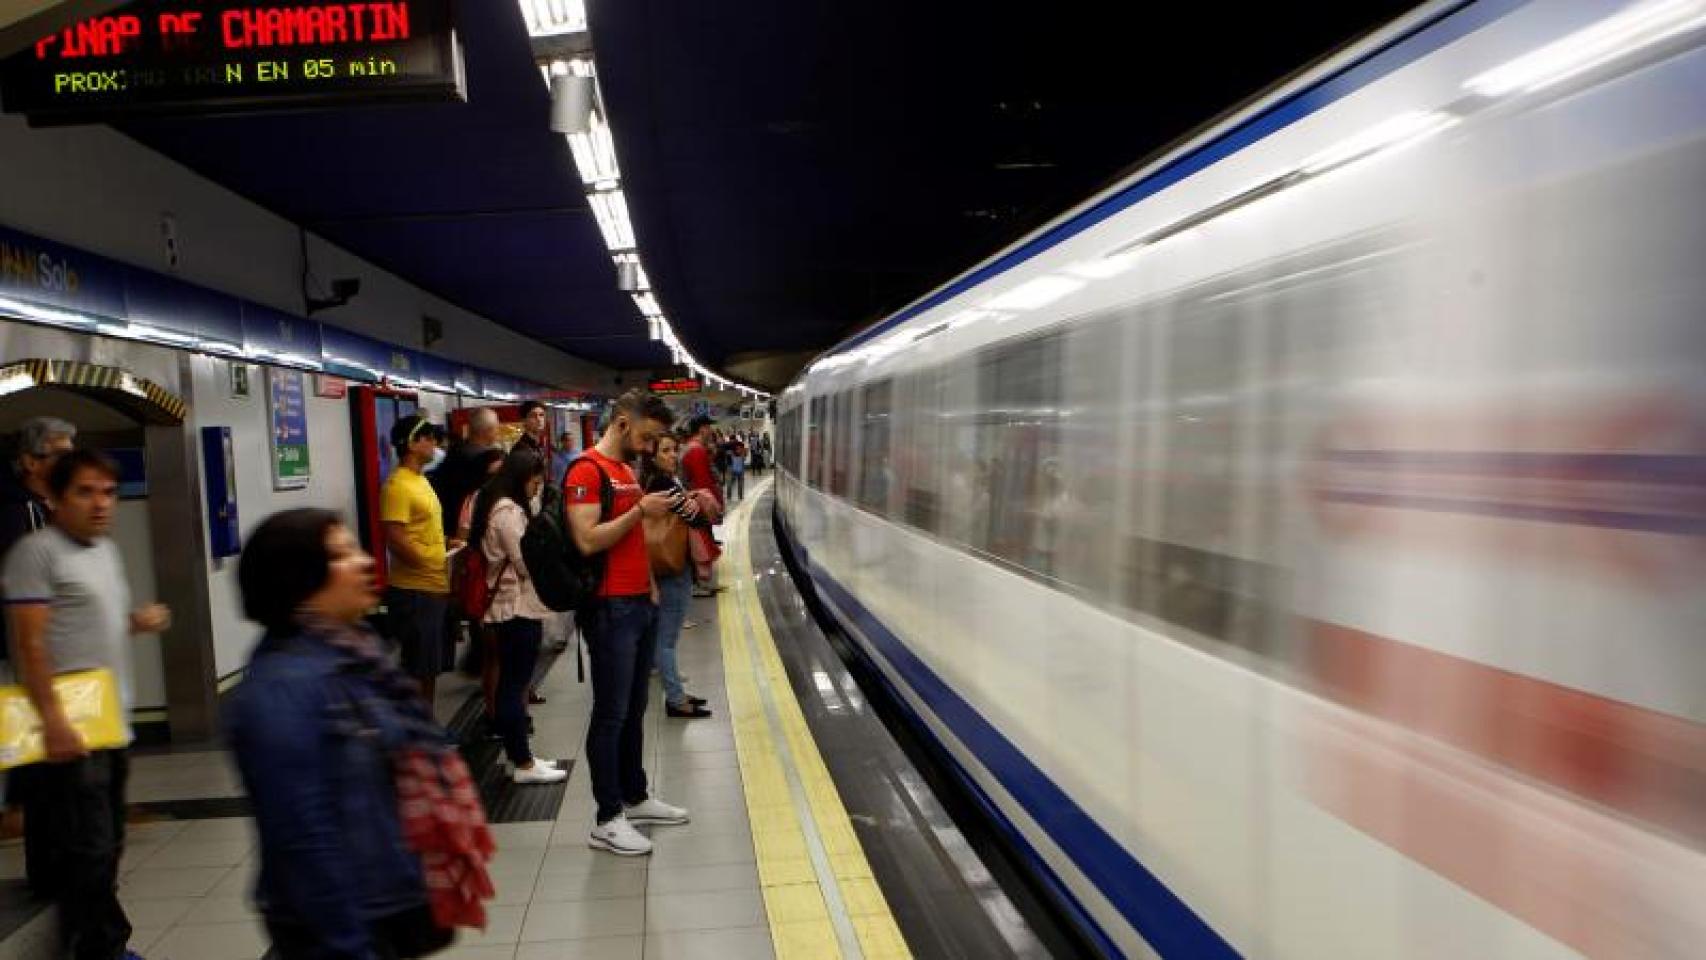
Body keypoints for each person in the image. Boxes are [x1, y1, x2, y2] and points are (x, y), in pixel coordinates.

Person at [228, 509, 493, 959]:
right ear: (298, 578)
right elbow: (301, 838)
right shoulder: (282, 689)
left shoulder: (356, 656)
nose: (365, 562)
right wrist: (348, 945)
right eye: (342, 554)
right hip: (338, 928)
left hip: (381, 903)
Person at [3, 449, 171, 960]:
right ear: (53, 497)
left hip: (108, 721)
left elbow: (87, 624)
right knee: (90, 848)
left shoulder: (103, 550)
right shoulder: (36, 554)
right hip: (68, 726)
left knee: (107, 843)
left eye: (108, 492)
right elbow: (29, 645)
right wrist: (52, 721)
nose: (101, 504)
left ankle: (96, 943)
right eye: (85, 491)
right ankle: (103, 949)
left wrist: (135, 622)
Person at [563, 390, 690, 856]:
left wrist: (651, 591)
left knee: (635, 708)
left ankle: (634, 796)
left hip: (639, 603)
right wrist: (640, 510)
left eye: (656, 439)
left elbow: (632, 540)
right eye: (646, 435)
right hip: (609, 608)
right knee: (610, 714)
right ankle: (606, 818)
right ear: (620, 423)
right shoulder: (586, 470)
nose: (649, 445)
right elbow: (586, 540)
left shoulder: (626, 471)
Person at [0, 417, 75, 886]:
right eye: (60, 455)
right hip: (19, 652)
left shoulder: (51, 510)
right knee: (23, 741)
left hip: (43, 652)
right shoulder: (19, 514)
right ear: (30, 462)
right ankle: (17, 815)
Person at [467, 450, 567, 785]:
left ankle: (520, 755)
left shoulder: (490, 502)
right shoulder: (507, 511)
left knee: (514, 682)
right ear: (523, 476)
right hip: (514, 608)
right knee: (514, 685)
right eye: (535, 481)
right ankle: (523, 764)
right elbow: (525, 562)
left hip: (507, 608)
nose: (537, 487)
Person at [639, 435, 716, 720]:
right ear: (653, 456)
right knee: (667, 638)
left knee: (666, 635)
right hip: (673, 567)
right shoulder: (663, 484)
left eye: (674, 450)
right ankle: (675, 699)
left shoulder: (663, 482)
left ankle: (677, 694)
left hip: (673, 565)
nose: (673, 455)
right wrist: (693, 503)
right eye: (666, 451)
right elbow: (698, 518)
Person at [381, 415, 452, 708]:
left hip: (431, 586)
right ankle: (415, 733)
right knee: (417, 668)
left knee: (429, 667)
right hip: (415, 590)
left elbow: (422, 529)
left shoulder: (419, 480)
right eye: (428, 438)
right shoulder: (397, 486)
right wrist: (430, 566)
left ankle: (426, 729)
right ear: (411, 443)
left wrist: (447, 544)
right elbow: (396, 539)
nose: (434, 443)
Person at [431, 409, 500, 540]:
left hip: (447, 527)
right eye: (496, 427)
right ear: (488, 431)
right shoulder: (487, 459)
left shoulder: (454, 451)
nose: (498, 431)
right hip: (471, 530)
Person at [679, 417, 725, 598]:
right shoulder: (696, 451)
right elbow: (703, 483)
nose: (711, 432)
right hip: (698, 506)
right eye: (709, 428)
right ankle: (698, 584)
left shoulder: (693, 449)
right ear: (702, 429)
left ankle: (700, 583)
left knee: (700, 545)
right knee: (699, 547)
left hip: (693, 504)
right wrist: (714, 508)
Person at [727, 435, 747, 502]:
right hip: (738, 465)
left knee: (731, 482)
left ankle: (730, 496)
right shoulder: (740, 444)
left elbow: (727, 453)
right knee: (739, 481)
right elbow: (744, 454)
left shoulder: (729, 445)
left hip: (731, 466)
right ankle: (739, 496)